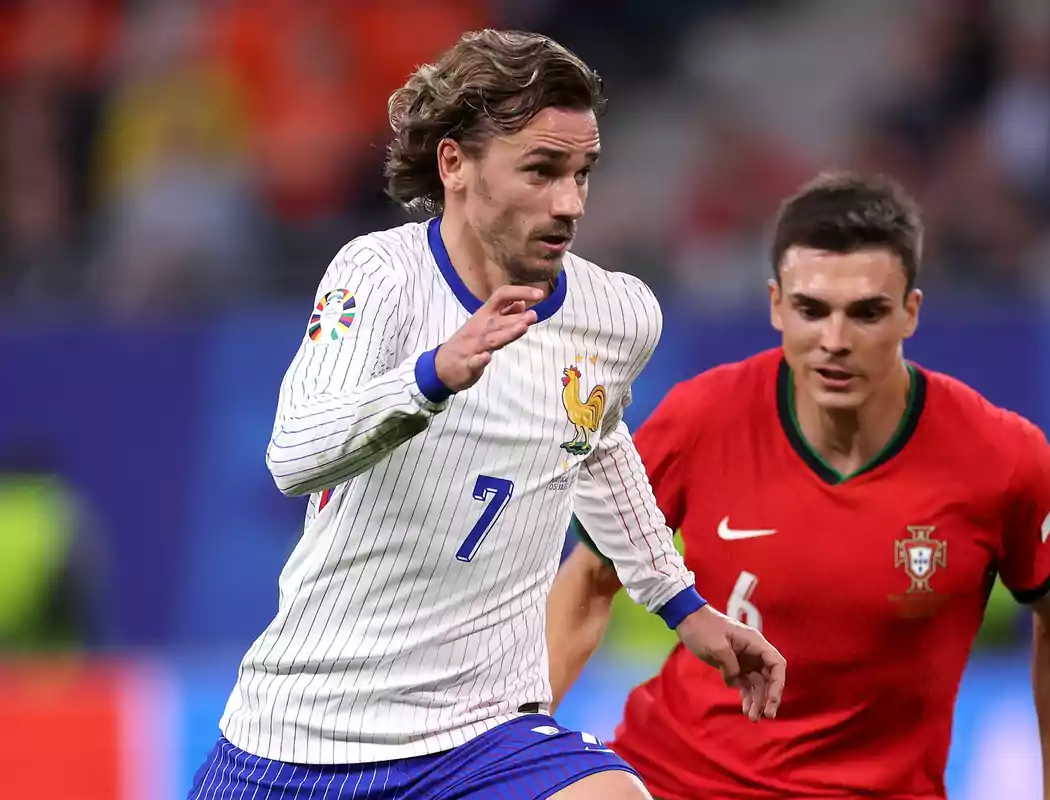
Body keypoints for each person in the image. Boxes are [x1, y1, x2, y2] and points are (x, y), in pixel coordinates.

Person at [186, 30, 786, 800]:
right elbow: (294, 453)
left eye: (582, 173)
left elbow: (594, 442)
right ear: (454, 164)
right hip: (303, 734)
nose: (569, 203)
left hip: (482, 733)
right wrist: (432, 376)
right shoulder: (380, 276)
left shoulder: (618, 314)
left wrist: (684, 606)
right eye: (541, 170)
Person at [549, 172, 1050, 799]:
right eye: (812, 310)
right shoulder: (702, 418)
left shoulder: (1004, 459)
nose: (834, 342)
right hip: (673, 779)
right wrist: (513, 746)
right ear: (777, 304)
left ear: (910, 313)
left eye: (866, 313)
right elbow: (589, 580)